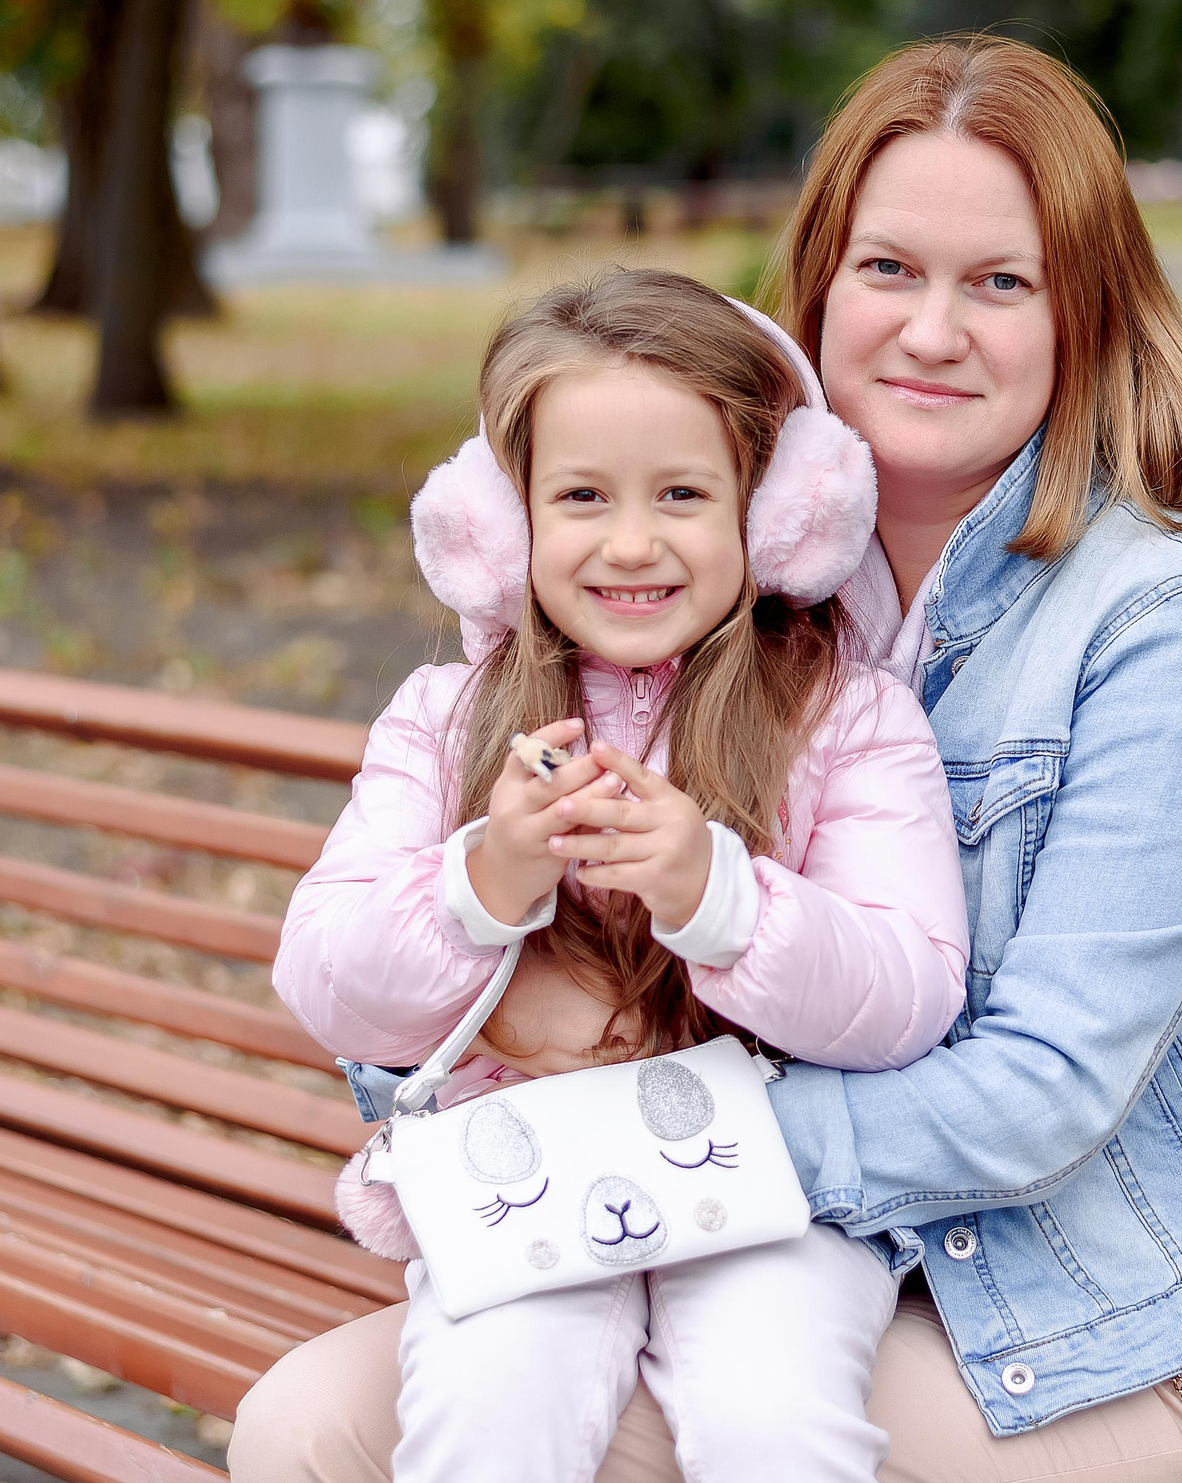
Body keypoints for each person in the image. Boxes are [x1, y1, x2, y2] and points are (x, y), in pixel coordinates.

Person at [233, 36, 1182, 1483]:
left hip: (1114, 1301)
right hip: (814, 1238)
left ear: (1084, 314)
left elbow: (1043, 1097)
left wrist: (640, 1110)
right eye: (888, 269)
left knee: (685, 1447)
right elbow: (387, 983)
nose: (932, 331)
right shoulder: (723, 583)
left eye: (1000, 282)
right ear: (817, 287)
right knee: (303, 1431)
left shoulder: (1163, 629)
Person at [273, 266, 971, 1483]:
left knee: (774, 1416)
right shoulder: (445, 721)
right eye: (582, 495)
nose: (632, 541)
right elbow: (327, 978)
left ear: (774, 516)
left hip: (775, 1199)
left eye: (685, 494)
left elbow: (909, 989)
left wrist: (721, 895)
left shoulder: (849, 720)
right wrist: (483, 879)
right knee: (487, 1409)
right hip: (526, 1173)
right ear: (502, 524)